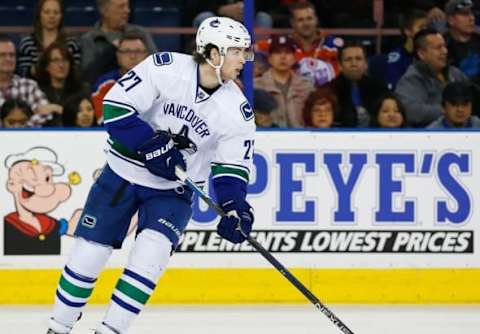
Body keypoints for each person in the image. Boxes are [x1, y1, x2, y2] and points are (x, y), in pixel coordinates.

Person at [46, 16, 256, 334]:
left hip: (174, 190)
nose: (245, 59)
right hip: (123, 173)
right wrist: (149, 144)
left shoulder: (237, 110)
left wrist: (234, 206)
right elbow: (115, 108)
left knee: (150, 259)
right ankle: (58, 327)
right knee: (89, 253)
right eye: (238, 51)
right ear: (214, 53)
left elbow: (230, 170)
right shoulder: (164, 67)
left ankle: (110, 331)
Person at [395, 28, 468, 127]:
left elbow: (473, 96)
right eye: (438, 48)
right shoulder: (412, 78)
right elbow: (411, 111)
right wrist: (448, 111)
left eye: (444, 46)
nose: (445, 51)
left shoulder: (455, 73)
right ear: (422, 54)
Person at [80, 0, 157, 84]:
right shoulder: (89, 39)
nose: (127, 11)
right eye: (121, 7)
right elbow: (88, 76)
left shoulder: (141, 33)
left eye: (128, 6)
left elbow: (156, 65)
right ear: (104, 10)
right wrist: (111, 51)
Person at [254, 35, 314, 127]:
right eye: (277, 52)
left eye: (287, 52)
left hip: (302, 138)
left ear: (294, 58)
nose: (283, 57)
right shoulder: (256, 85)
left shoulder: (307, 86)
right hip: (268, 138)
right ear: (269, 58)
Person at [91, 32, 149, 124]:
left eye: (138, 51)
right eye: (127, 51)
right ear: (118, 55)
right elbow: (105, 121)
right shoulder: (106, 84)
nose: (133, 56)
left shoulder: (158, 83)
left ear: (146, 55)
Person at [17, 0, 81, 78]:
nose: (51, 16)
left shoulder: (71, 44)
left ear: (61, 16)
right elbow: (24, 74)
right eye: (47, 12)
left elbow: (75, 74)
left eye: (56, 12)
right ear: (39, 15)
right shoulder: (27, 44)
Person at [333, 41, 389, 127]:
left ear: (366, 64)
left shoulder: (380, 89)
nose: (354, 64)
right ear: (340, 65)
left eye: (358, 59)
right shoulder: (329, 90)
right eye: (348, 59)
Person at [0, 34, 54, 116]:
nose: (8, 59)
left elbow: (46, 113)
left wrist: (23, 127)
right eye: (2, 55)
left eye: (12, 55)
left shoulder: (29, 86)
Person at [35, 42, 90, 113]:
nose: (61, 65)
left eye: (65, 60)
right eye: (55, 60)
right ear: (47, 66)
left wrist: (58, 109)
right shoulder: (37, 91)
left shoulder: (82, 90)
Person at [444, 0, 480, 85]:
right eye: (465, 14)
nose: (472, 18)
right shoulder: (442, 44)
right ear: (451, 20)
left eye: (472, 13)